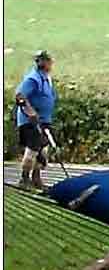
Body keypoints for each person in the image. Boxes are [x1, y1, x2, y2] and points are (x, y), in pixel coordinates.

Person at [15, 50, 57, 189]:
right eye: (41, 60)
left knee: (43, 149)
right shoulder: (32, 79)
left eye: (46, 60)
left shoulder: (47, 78)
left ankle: (36, 178)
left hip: (45, 119)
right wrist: (30, 111)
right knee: (33, 149)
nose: (45, 63)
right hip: (30, 121)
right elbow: (20, 96)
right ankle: (24, 179)